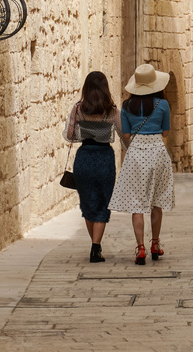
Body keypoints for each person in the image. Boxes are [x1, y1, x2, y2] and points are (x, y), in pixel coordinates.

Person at [109, 63, 175, 265]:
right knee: (156, 201)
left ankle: (140, 249)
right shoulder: (163, 105)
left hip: (136, 154)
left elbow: (126, 135)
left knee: (137, 204)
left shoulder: (126, 106)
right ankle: (155, 243)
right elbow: (165, 133)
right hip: (157, 152)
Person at [65, 71, 122, 263]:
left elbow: (69, 135)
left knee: (88, 203)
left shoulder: (78, 109)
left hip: (84, 158)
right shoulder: (112, 111)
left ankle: (95, 246)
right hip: (104, 159)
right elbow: (123, 134)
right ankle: (96, 247)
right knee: (102, 203)